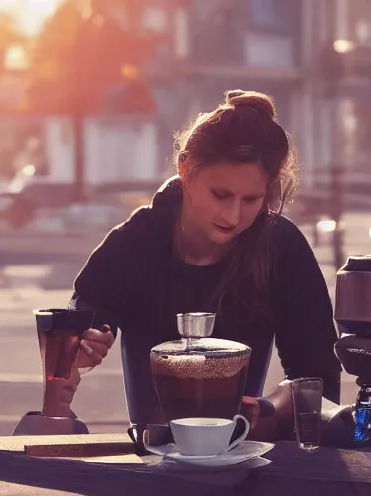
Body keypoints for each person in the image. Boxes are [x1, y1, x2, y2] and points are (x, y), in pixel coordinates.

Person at [57, 89, 341, 437]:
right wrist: (81, 347)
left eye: (252, 199)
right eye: (221, 195)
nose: (234, 215)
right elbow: (77, 328)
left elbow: (319, 384)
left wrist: (260, 414)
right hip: (151, 460)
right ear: (186, 170)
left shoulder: (280, 245)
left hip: (248, 458)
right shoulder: (135, 242)